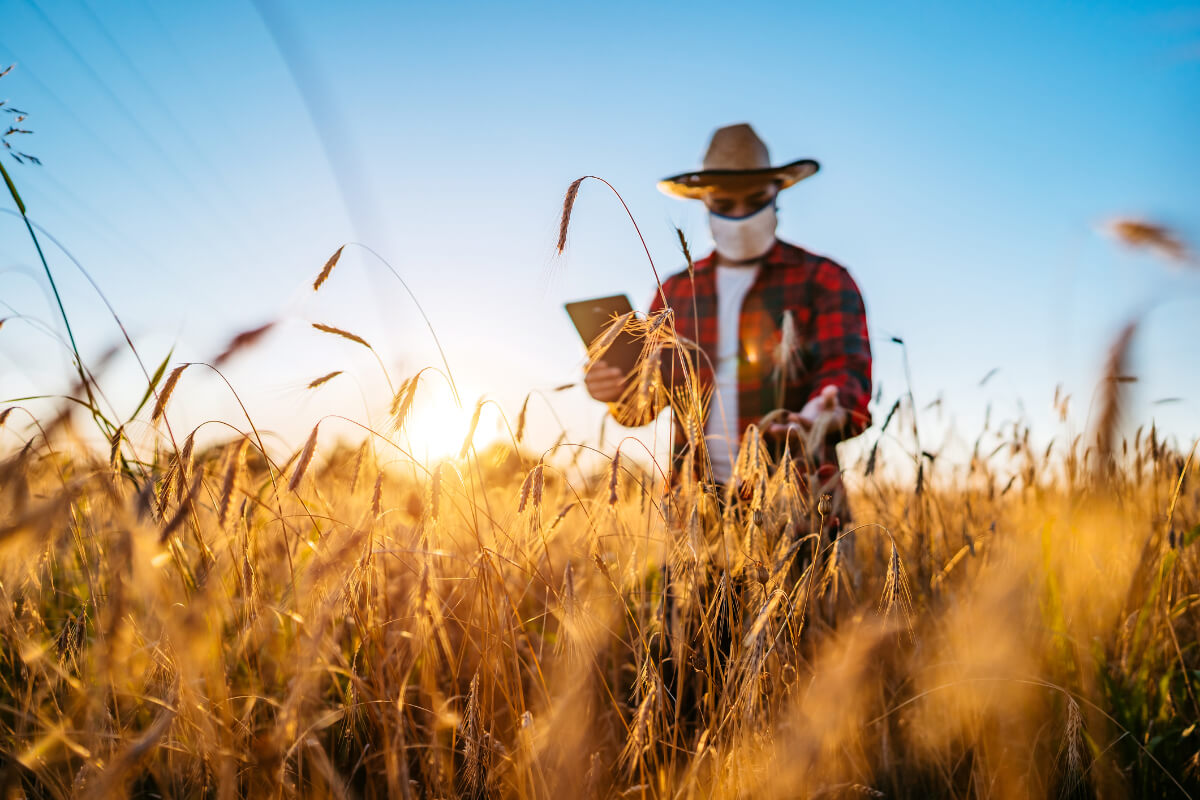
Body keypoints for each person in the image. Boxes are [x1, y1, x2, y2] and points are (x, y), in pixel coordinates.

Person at [584, 123, 872, 525]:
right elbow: (648, 400)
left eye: (754, 200)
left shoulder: (823, 279)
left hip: (803, 504)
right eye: (724, 203)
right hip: (695, 509)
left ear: (776, 197)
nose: (740, 215)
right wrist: (616, 391)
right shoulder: (675, 291)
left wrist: (821, 412)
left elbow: (847, 372)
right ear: (705, 203)